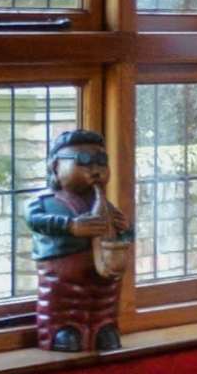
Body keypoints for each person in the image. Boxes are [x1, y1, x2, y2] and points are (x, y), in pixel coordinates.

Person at [27, 128, 133, 354]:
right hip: (62, 281)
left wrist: (124, 231)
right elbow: (34, 219)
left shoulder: (104, 204)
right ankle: (62, 330)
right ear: (56, 167)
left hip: (103, 279)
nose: (95, 170)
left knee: (105, 308)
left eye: (101, 162)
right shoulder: (45, 201)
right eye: (83, 162)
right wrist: (71, 226)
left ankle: (103, 327)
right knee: (60, 307)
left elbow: (124, 235)